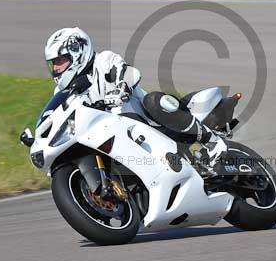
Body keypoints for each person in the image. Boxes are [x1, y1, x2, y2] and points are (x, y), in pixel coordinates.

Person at [43, 27, 228, 165]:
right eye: (53, 64)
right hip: (112, 138)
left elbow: (127, 72)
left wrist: (121, 89)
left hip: (148, 122)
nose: (56, 68)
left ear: (77, 52)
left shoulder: (104, 60)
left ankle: (211, 141)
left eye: (60, 61)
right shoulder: (62, 93)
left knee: (153, 100)